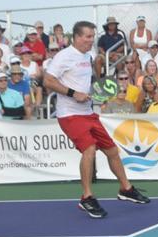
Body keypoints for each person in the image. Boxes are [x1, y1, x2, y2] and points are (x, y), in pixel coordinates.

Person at [42, 20, 150, 219]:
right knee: (89, 149)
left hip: (88, 112)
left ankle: (126, 189)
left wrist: (95, 92)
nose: (91, 40)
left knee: (112, 150)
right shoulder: (63, 56)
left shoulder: (88, 56)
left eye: (93, 36)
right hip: (69, 114)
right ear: (76, 37)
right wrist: (73, 93)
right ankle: (87, 197)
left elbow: (85, 82)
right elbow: (47, 80)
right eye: (88, 37)